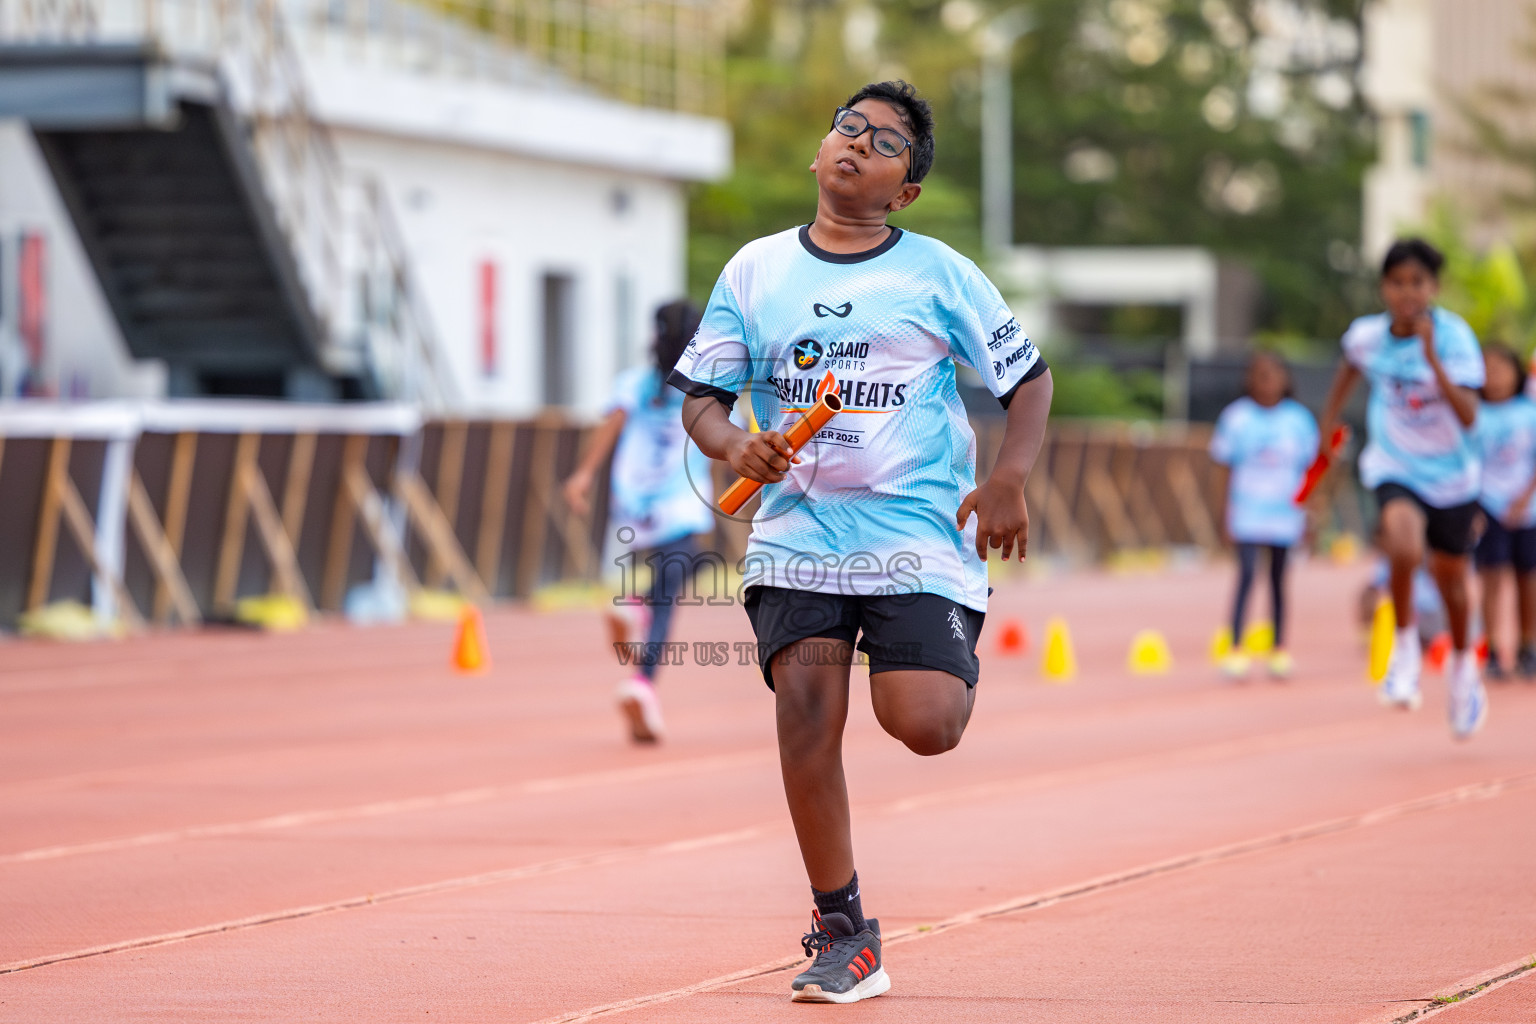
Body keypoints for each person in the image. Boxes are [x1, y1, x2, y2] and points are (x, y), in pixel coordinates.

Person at [671, 81, 1052, 1003]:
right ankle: (844, 933)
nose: (856, 144)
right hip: (798, 532)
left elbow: (1028, 380)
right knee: (805, 716)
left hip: (916, 533)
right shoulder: (756, 270)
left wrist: (1007, 477)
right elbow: (702, 400)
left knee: (925, 724)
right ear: (819, 150)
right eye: (847, 128)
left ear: (904, 191)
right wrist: (734, 444)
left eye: (883, 144)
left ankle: (939, 652)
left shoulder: (938, 273)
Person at [1317, 238, 1487, 738]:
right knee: (1403, 544)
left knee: (1453, 582)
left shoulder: (1456, 338)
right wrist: (1327, 422)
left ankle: (1462, 669)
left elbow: (1470, 414)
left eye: (1418, 282)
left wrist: (1432, 359)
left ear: (1434, 288)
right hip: (1396, 465)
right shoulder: (1368, 336)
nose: (1407, 292)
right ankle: (1406, 647)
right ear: (1383, 288)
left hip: (1453, 476)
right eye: (1397, 282)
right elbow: (1349, 369)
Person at [562, 301, 713, 743]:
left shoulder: (632, 384)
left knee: (681, 571)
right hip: (680, 502)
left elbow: (609, 427)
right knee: (672, 592)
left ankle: (635, 610)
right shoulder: (706, 388)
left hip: (633, 502)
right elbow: (725, 445)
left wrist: (583, 475)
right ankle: (643, 681)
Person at [1209, 352, 1319, 680]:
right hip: (1247, 510)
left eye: (1273, 375)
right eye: (1260, 375)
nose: (1267, 382)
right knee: (1245, 575)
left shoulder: (1298, 420)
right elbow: (1222, 468)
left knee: (1278, 578)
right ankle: (1237, 648)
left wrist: (1310, 510)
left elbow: (1312, 469)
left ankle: (1279, 648)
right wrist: (1223, 513)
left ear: (1285, 380)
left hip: (1285, 511)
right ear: (1249, 380)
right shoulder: (1237, 418)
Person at [1472, 342, 1536, 680]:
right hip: (1488, 507)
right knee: (1491, 579)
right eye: (1486, 369)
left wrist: (1525, 497)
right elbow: (1466, 463)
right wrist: (1474, 506)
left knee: (1528, 579)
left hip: (1527, 509)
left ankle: (1528, 645)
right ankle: (1493, 648)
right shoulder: (1473, 414)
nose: (1493, 376)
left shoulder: (1529, 412)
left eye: (1501, 368)